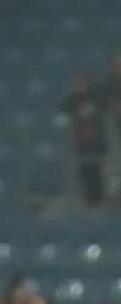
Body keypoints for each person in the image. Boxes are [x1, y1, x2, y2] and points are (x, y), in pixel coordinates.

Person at [64, 72, 108, 206]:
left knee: (95, 171)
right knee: (83, 171)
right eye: (77, 83)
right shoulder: (72, 99)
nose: (79, 86)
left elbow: (102, 115)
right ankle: (86, 198)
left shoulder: (96, 98)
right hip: (80, 144)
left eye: (82, 82)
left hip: (96, 143)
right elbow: (64, 110)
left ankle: (97, 198)